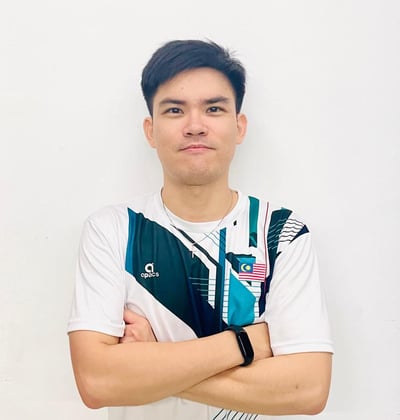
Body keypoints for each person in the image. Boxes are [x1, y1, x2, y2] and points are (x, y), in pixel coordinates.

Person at [68, 39, 333, 420]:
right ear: (150, 130)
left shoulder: (281, 233)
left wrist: (150, 361)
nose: (195, 126)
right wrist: (246, 343)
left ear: (239, 126)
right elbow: (97, 383)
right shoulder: (114, 230)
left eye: (214, 109)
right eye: (175, 110)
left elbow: (307, 390)